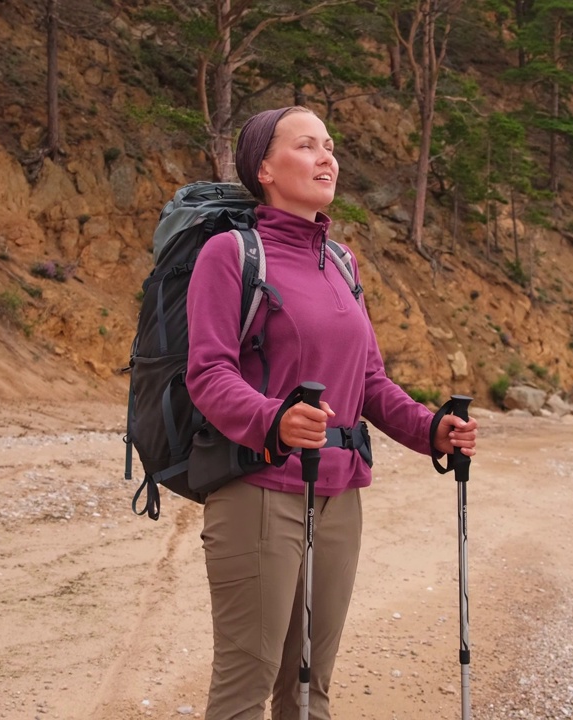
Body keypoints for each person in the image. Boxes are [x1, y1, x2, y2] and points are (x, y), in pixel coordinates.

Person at [185, 105, 479, 720]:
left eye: (330, 146)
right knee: (246, 686)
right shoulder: (231, 254)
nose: (327, 158)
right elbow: (208, 373)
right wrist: (273, 420)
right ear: (263, 168)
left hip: (341, 495)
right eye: (306, 146)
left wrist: (431, 430)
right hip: (259, 491)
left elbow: (368, 380)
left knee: (310, 686)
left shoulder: (341, 261)